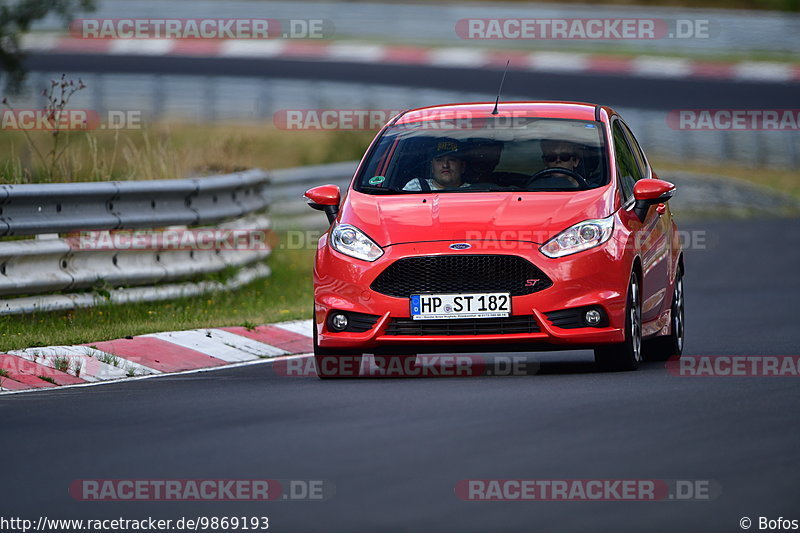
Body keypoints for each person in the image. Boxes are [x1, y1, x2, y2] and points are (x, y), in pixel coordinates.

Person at [403, 139, 471, 191]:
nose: (445, 165)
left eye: (452, 159)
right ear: (432, 167)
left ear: (462, 166)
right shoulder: (416, 187)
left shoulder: (473, 192)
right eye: (439, 160)